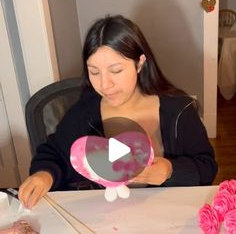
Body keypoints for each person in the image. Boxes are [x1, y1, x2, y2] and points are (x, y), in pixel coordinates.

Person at [19, 14, 218, 208]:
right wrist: (44, 175)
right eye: (94, 72)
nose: (105, 85)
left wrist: (171, 171)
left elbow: (206, 167)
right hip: (105, 221)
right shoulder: (86, 111)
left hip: (166, 218)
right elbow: (54, 152)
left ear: (139, 63)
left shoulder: (178, 110)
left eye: (116, 71)